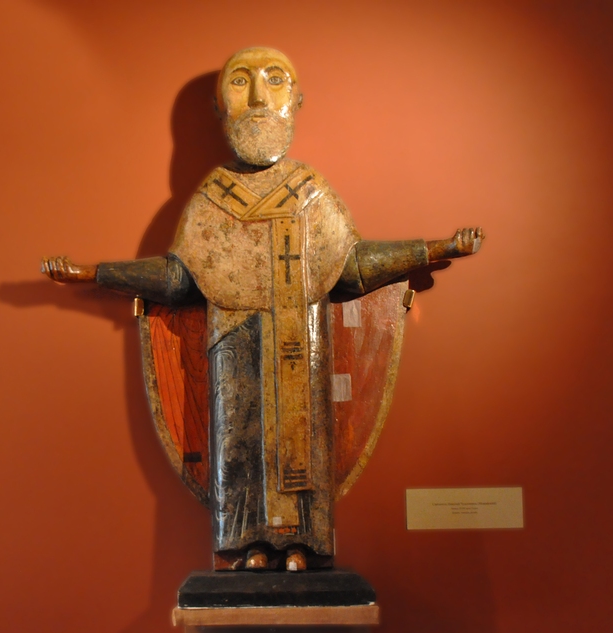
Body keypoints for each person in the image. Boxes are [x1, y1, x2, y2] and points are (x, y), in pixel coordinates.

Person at [42, 47, 483, 572]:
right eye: (240, 81)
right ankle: (248, 544)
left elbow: (348, 268)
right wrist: (93, 273)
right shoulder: (213, 197)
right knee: (239, 440)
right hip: (233, 339)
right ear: (218, 107)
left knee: (303, 435)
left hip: (301, 338)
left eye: (275, 80)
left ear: (297, 100)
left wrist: (433, 249)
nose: (257, 97)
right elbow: (181, 278)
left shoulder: (310, 192)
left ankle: (302, 544)